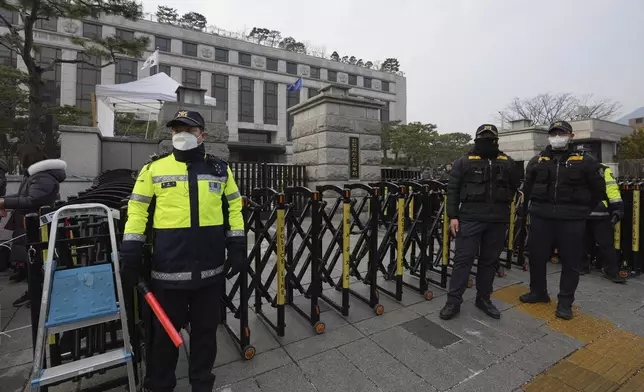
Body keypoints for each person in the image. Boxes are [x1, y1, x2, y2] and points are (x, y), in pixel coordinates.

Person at [120, 110, 246, 392]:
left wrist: (237, 244)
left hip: (210, 269)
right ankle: (161, 383)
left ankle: (202, 382)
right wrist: (131, 246)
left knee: (205, 333)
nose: (182, 135)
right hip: (168, 270)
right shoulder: (154, 169)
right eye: (177, 130)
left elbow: (234, 207)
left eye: (189, 130)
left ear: (203, 135)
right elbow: (137, 209)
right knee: (164, 334)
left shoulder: (220, 169)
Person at [520, 121, 605, 320]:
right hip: (541, 218)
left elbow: (598, 190)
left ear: (571, 136)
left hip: (571, 220)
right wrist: (526, 213)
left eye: (562, 133)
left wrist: (582, 211)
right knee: (536, 257)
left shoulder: (586, 160)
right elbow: (528, 189)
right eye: (554, 133)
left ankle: (565, 302)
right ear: (549, 136)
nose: (558, 136)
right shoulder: (537, 160)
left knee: (570, 262)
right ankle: (538, 292)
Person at [439, 124, 520, 320]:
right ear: (476, 139)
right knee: (462, 261)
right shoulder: (464, 162)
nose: (487, 141)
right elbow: (453, 191)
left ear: (496, 140)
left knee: (489, 262)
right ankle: (453, 302)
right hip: (469, 219)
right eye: (483, 137)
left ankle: (483, 299)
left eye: (491, 138)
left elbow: (515, 185)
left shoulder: (507, 162)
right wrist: (453, 217)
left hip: (497, 221)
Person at [2, 145, 67, 307]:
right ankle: (34, 292)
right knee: (33, 261)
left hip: (35, 223)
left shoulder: (42, 176)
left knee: (35, 260)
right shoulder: (37, 175)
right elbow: (24, 196)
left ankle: (37, 294)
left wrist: (4, 202)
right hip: (31, 222)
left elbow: (32, 200)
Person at [576, 147, 626, 283]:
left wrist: (617, 208)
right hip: (591, 212)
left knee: (597, 243)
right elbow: (612, 190)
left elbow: (612, 189)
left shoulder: (600, 169)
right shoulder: (598, 169)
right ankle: (600, 270)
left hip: (591, 213)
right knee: (591, 243)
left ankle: (603, 270)